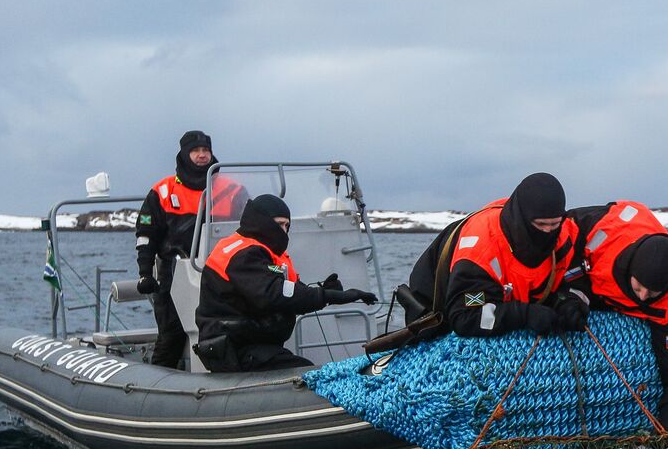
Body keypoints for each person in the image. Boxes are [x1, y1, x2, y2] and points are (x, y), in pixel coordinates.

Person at [556, 200, 668, 431]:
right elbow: (561, 234)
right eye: (639, 287)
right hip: (587, 276)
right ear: (631, 269)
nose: (643, 297)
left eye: (653, 293)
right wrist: (574, 293)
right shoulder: (602, 228)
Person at [195, 194, 376, 373]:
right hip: (234, 348)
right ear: (262, 221)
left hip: (256, 345)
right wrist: (328, 296)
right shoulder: (243, 254)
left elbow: (292, 293)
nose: (283, 230)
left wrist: (324, 292)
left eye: (287, 225)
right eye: (279, 224)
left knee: (305, 370)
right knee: (306, 374)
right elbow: (273, 293)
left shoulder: (264, 251)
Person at [404, 173, 580, 337]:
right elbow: (464, 317)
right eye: (540, 224)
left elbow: (574, 279)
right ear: (523, 218)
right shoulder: (480, 251)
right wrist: (524, 314)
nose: (548, 231)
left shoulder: (565, 237)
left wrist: (567, 302)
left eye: (554, 224)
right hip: (438, 311)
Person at [135, 130, 247, 368]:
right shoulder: (163, 192)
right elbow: (146, 236)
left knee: (228, 330)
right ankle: (157, 387)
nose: (201, 155)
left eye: (205, 150)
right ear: (185, 154)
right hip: (174, 274)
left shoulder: (232, 190)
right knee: (171, 335)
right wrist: (145, 272)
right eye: (196, 151)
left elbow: (252, 228)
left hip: (224, 274)